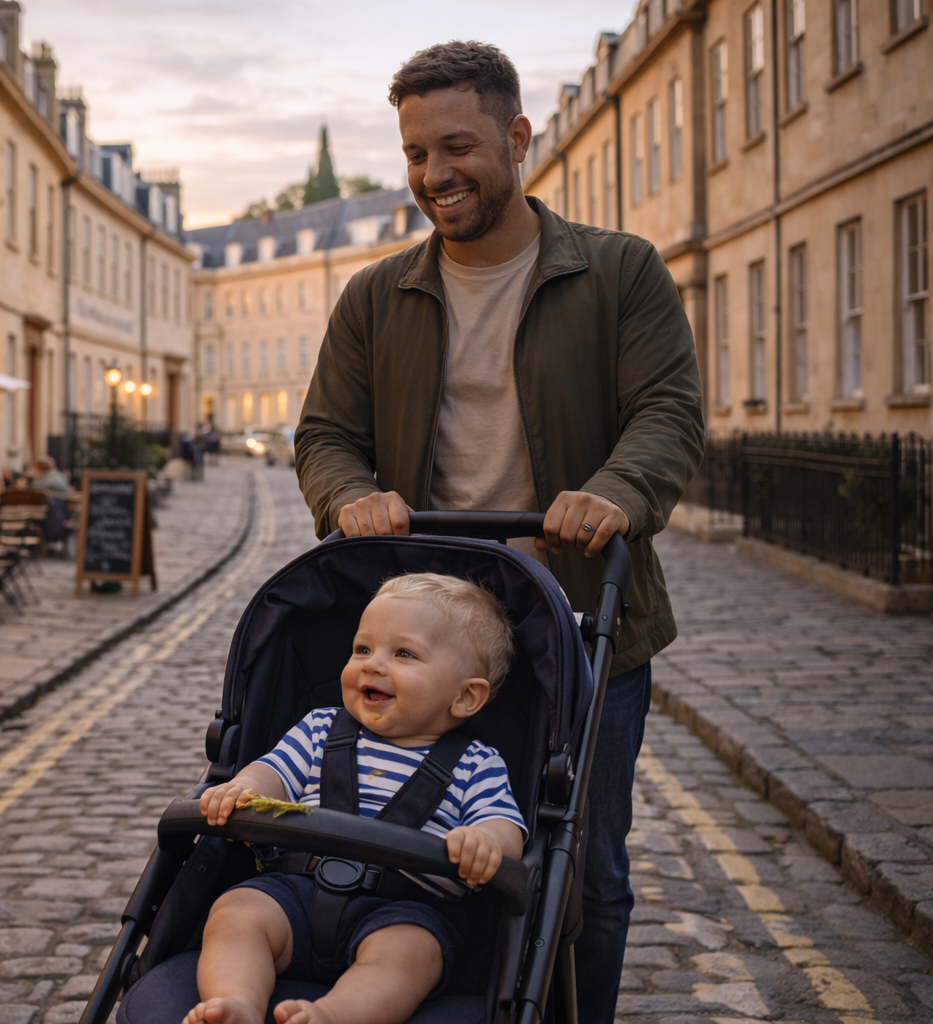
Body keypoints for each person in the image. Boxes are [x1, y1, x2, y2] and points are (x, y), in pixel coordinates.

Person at [293, 42, 704, 1024]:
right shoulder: (374, 297)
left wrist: (614, 490)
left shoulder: (618, 272)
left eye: (459, 147)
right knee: (404, 846)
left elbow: (669, 412)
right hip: (430, 628)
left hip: (583, 620)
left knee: (588, 869)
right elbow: (325, 435)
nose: (436, 175)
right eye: (416, 153)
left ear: (518, 139)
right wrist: (349, 495)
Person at [184, 573, 524, 1024]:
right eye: (362, 649)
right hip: (294, 891)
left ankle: (334, 1016)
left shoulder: (475, 764)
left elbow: (505, 828)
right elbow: (273, 773)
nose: (372, 664)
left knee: (409, 956)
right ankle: (237, 1003)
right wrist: (245, 788)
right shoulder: (320, 728)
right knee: (236, 912)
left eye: (403, 654)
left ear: (465, 696)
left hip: (406, 909)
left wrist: (486, 842)